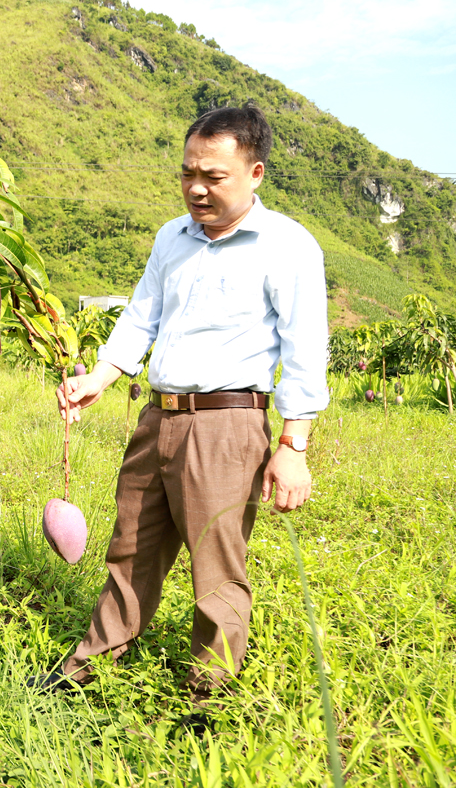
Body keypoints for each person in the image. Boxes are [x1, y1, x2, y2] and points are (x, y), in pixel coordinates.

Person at [41, 104, 328, 697]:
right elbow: (142, 316)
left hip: (227, 424)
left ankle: (209, 695)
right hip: (159, 417)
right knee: (131, 548)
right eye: (188, 173)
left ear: (255, 174)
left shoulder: (287, 246)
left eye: (214, 177)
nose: (197, 188)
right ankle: (89, 670)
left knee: (215, 566)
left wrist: (293, 444)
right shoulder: (172, 237)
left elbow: (305, 348)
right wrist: (100, 375)